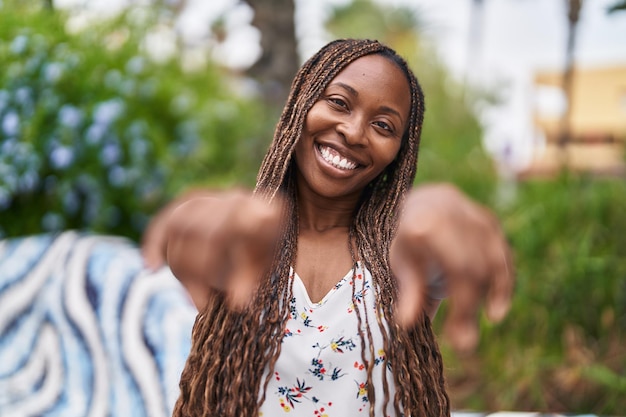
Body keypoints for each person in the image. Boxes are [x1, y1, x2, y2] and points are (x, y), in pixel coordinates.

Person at [141, 39, 514, 417]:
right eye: (338, 103)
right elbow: (194, 236)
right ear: (302, 103)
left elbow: (438, 253)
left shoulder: (401, 255)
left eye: (383, 125)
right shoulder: (244, 243)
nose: (354, 132)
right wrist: (198, 217)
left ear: (399, 152)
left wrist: (446, 216)